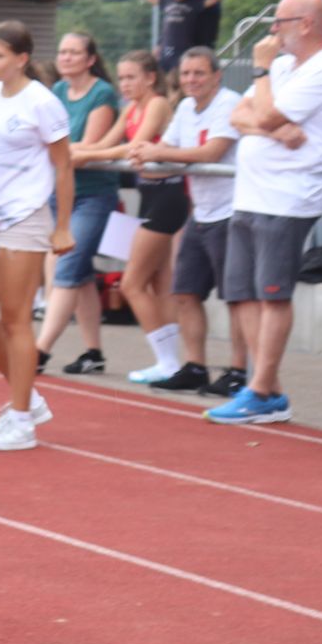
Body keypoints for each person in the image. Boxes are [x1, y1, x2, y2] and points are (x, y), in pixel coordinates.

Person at [207, 0, 322, 426]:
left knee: (272, 295)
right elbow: (239, 114)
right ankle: (268, 390)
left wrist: (261, 73)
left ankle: (259, 388)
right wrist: (272, 127)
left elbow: (265, 113)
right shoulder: (285, 65)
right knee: (242, 293)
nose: (272, 31)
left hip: (288, 197)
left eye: (280, 22)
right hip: (251, 193)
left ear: (305, 24)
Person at [0, 21, 77, 451]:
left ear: (21, 59)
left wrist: (62, 225)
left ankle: (21, 420)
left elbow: (64, 165)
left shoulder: (42, 103)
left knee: (15, 319)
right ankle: (27, 398)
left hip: (25, 216)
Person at [131, 47, 247, 393]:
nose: (191, 80)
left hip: (230, 212)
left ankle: (239, 371)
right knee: (185, 292)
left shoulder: (229, 103)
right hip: (201, 211)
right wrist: (144, 158)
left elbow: (211, 152)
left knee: (235, 298)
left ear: (216, 75)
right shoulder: (183, 107)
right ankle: (195, 366)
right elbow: (164, 151)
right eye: (185, 74)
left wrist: (156, 154)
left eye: (199, 73)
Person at [69, 51, 180, 383]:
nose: (125, 84)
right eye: (122, 77)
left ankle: (168, 360)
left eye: (132, 77)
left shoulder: (157, 104)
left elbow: (135, 146)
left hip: (168, 198)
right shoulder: (129, 108)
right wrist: (78, 151)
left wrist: (83, 156)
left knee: (131, 283)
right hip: (148, 197)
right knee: (157, 282)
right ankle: (171, 361)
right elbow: (107, 142)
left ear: (149, 77)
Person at [34, 30, 119, 375]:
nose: (66, 57)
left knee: (67, 270)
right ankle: (94, 352)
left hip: (93, 194)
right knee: (80, 276)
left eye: (73, 52)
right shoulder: (56, 92)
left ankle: (39, 350)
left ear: (90, 59)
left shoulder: (102, 93)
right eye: (62, 51)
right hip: (60, 192)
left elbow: (88, 148)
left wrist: (59, 151)